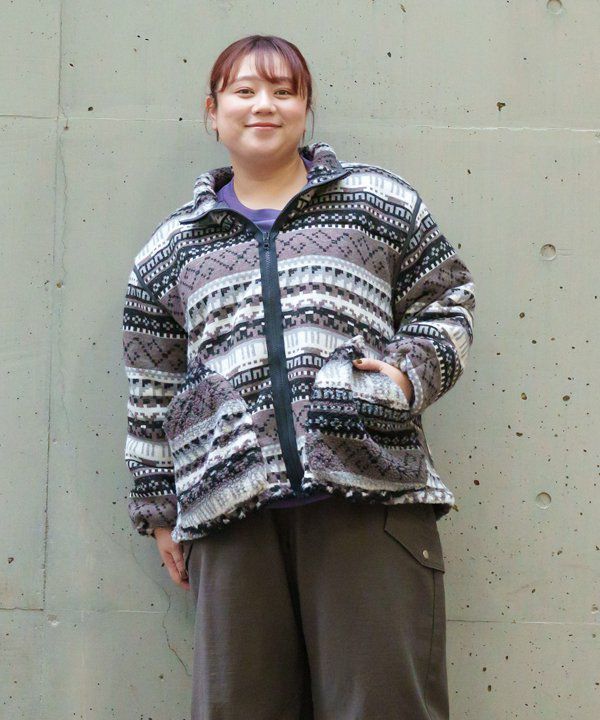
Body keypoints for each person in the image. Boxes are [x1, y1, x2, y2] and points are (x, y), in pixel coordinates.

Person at [122, 34, 475, 720]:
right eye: (245, 91)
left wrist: (406, 377)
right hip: (230, 517)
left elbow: (448, 299)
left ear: (306, 109)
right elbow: (150, 390)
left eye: (284, 92)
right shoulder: (170, 250)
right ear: (213, 111)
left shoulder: (376, 203)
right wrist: (160, 512)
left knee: (383, 707)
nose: (265, 105)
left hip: (370, 500)